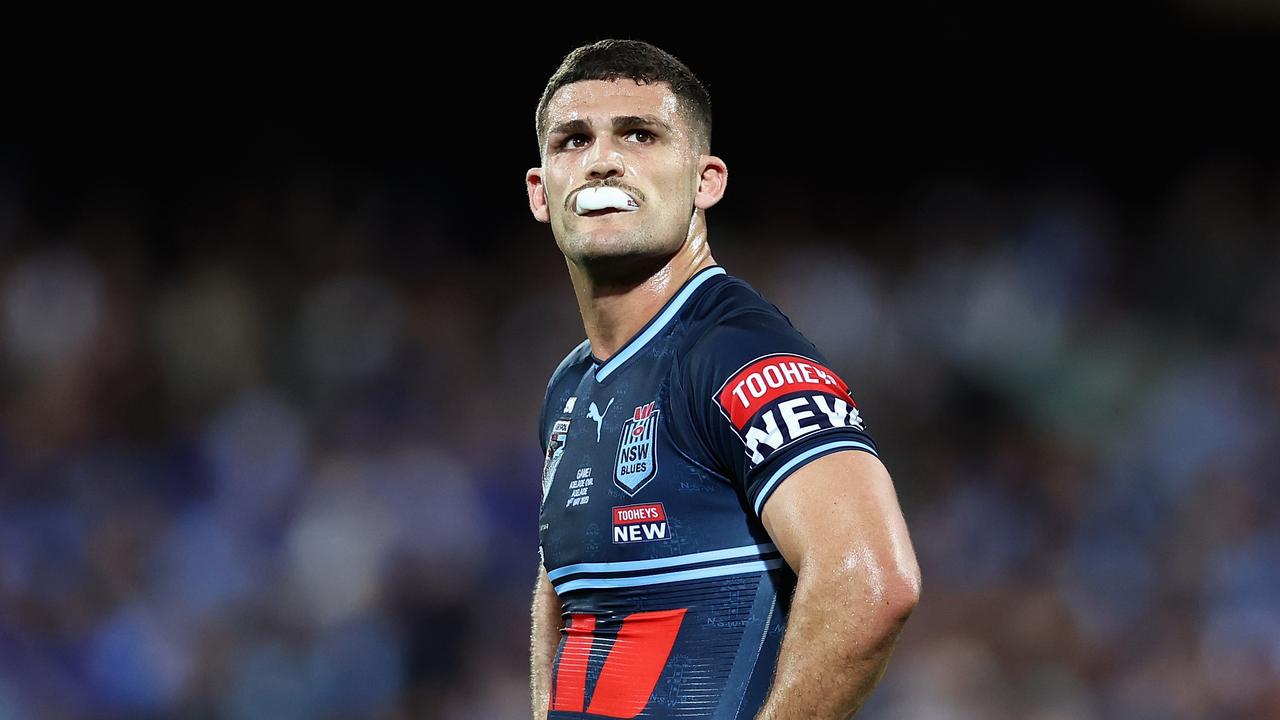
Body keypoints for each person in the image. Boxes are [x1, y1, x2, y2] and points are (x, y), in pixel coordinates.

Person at [524, 39, 921, 719]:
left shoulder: (733, 353)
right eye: (572, 140)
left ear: (707, 180)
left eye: (640, 134)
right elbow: (565, 593)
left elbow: (872, 584)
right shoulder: (572, 387)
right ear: (540, 191)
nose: (601, 160)